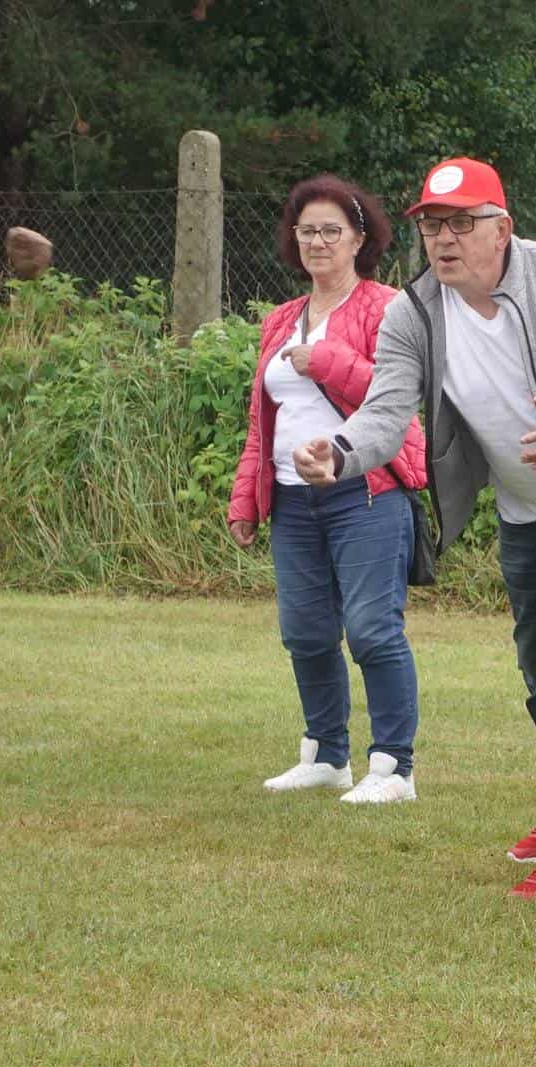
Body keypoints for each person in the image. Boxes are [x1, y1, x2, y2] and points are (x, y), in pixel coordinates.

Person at [292, 157, 536, 898]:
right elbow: (385, 411)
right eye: (432, 225)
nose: (444, 239)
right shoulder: (415, 312)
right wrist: (337, 452)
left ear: (503, 229)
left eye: (462, 223)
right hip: (522, 508)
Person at [227, 174, 427, 805]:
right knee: (306, 633)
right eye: (306, 230)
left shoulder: (388, 308)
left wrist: (326, 362)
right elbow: (262, 421)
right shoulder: (280, 320)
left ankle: (393, 769)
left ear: (359, 239)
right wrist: (246, 498)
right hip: (292, 500)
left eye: (331, 231)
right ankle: (325, 757)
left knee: (372, 630)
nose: (317, 242)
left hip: (366, 492)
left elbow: (399, 393)